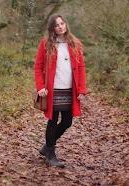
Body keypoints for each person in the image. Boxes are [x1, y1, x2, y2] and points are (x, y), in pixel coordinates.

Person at [34, 14, 86, 168]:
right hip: (53, 90)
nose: (60, 26)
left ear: (66, 24)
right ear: (52, 28)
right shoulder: (46, 44)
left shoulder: (76, 44)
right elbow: (38, 67)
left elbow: (81, 67)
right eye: (57, 25)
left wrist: (82, 89)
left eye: (62, 23)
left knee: (67, 121)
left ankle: (46, 146)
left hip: (70, 89)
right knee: (53, 120)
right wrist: (41, 87)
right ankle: (51, 153)